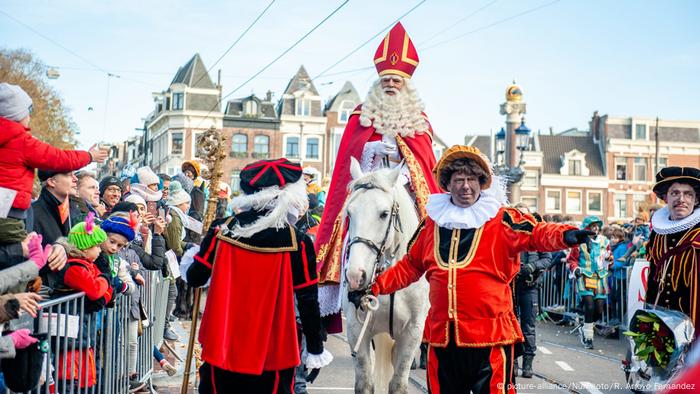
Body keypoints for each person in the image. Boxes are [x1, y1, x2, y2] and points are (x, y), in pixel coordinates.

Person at [350, 145, 590, 393]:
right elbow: (409, 267)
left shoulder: (501, 220)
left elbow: (536, 233)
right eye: (459, 180)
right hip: (443, 341)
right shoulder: (432, 224)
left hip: (491, 340)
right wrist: (374, 288)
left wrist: (568, 235)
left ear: (482, 182)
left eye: (471, 179)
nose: (466, 186)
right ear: (448, 184)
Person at [315, 22, 441, 328]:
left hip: (405, 188)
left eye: (397, 80)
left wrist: (401, 154)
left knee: (427, 232)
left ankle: (429, 291)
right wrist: (373, 148)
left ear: (407, 84)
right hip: (366, 183)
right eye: (386, 78)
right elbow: (350, 157)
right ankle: (348, 287)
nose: (391, 84)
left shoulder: (418, 119)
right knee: (353, 224)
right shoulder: (361, 115)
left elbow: (425, 164)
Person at [187, 158, 332, 394]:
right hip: (273, 351)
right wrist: (315, 348)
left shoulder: (222, 230)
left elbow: (195, 278)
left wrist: (196, 255)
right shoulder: (298, 242)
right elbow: (307, 300)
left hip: (224, 343)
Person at [0, 82, 108, 240]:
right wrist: (89, 156)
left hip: (5, 205)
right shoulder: (21, 141)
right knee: (24, 251)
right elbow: (59, 158)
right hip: (12, 211)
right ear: (17, 114)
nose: (30, 116)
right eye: (28, 111)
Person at [645, 167, 700, 329]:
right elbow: (653, 278)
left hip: (693, 320)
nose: (681, 199)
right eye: (675, 193)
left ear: (696, 200)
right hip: (661, 318)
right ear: (665, 198)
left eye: (688, 194)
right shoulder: (658, 233)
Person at [512, 204, 553, 378]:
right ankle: (512, 362)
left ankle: (528, 363)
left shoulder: (537, 234)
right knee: (510, 326)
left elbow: (547, 258)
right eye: (519, 214)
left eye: (524, 214)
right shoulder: (508, 233)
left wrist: (532, 266)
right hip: (511, 287)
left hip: (530, 287)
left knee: (528, 326)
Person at [567, 215, 612, 349]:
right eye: (592, 226)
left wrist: (610, 259)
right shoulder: (578, 242)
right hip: (585, 277)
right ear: (587, 228)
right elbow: (572, 259)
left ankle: (585, 327)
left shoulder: (605, 241)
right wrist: (575, 269)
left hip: (600, 278)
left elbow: (609, 257)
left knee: (598, 308)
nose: (595, 228)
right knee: (589, 305)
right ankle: (588, 337)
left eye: (597, 226)